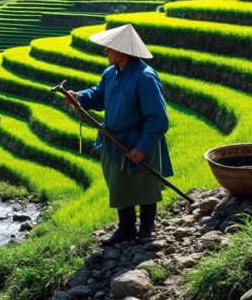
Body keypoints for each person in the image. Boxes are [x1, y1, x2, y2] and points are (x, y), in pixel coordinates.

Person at [67, 23, 173, 245]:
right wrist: (80, 97)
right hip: (115, 141)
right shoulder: (110, 73)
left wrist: (142, 147)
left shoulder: (145, 77)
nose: (105, 50)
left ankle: (147, 226)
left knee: (144, 183)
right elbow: (98, 96)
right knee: (120, 184)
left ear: (123, 51)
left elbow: (158, 119)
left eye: (109, 47)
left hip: (138, 141)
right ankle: (125, 228)